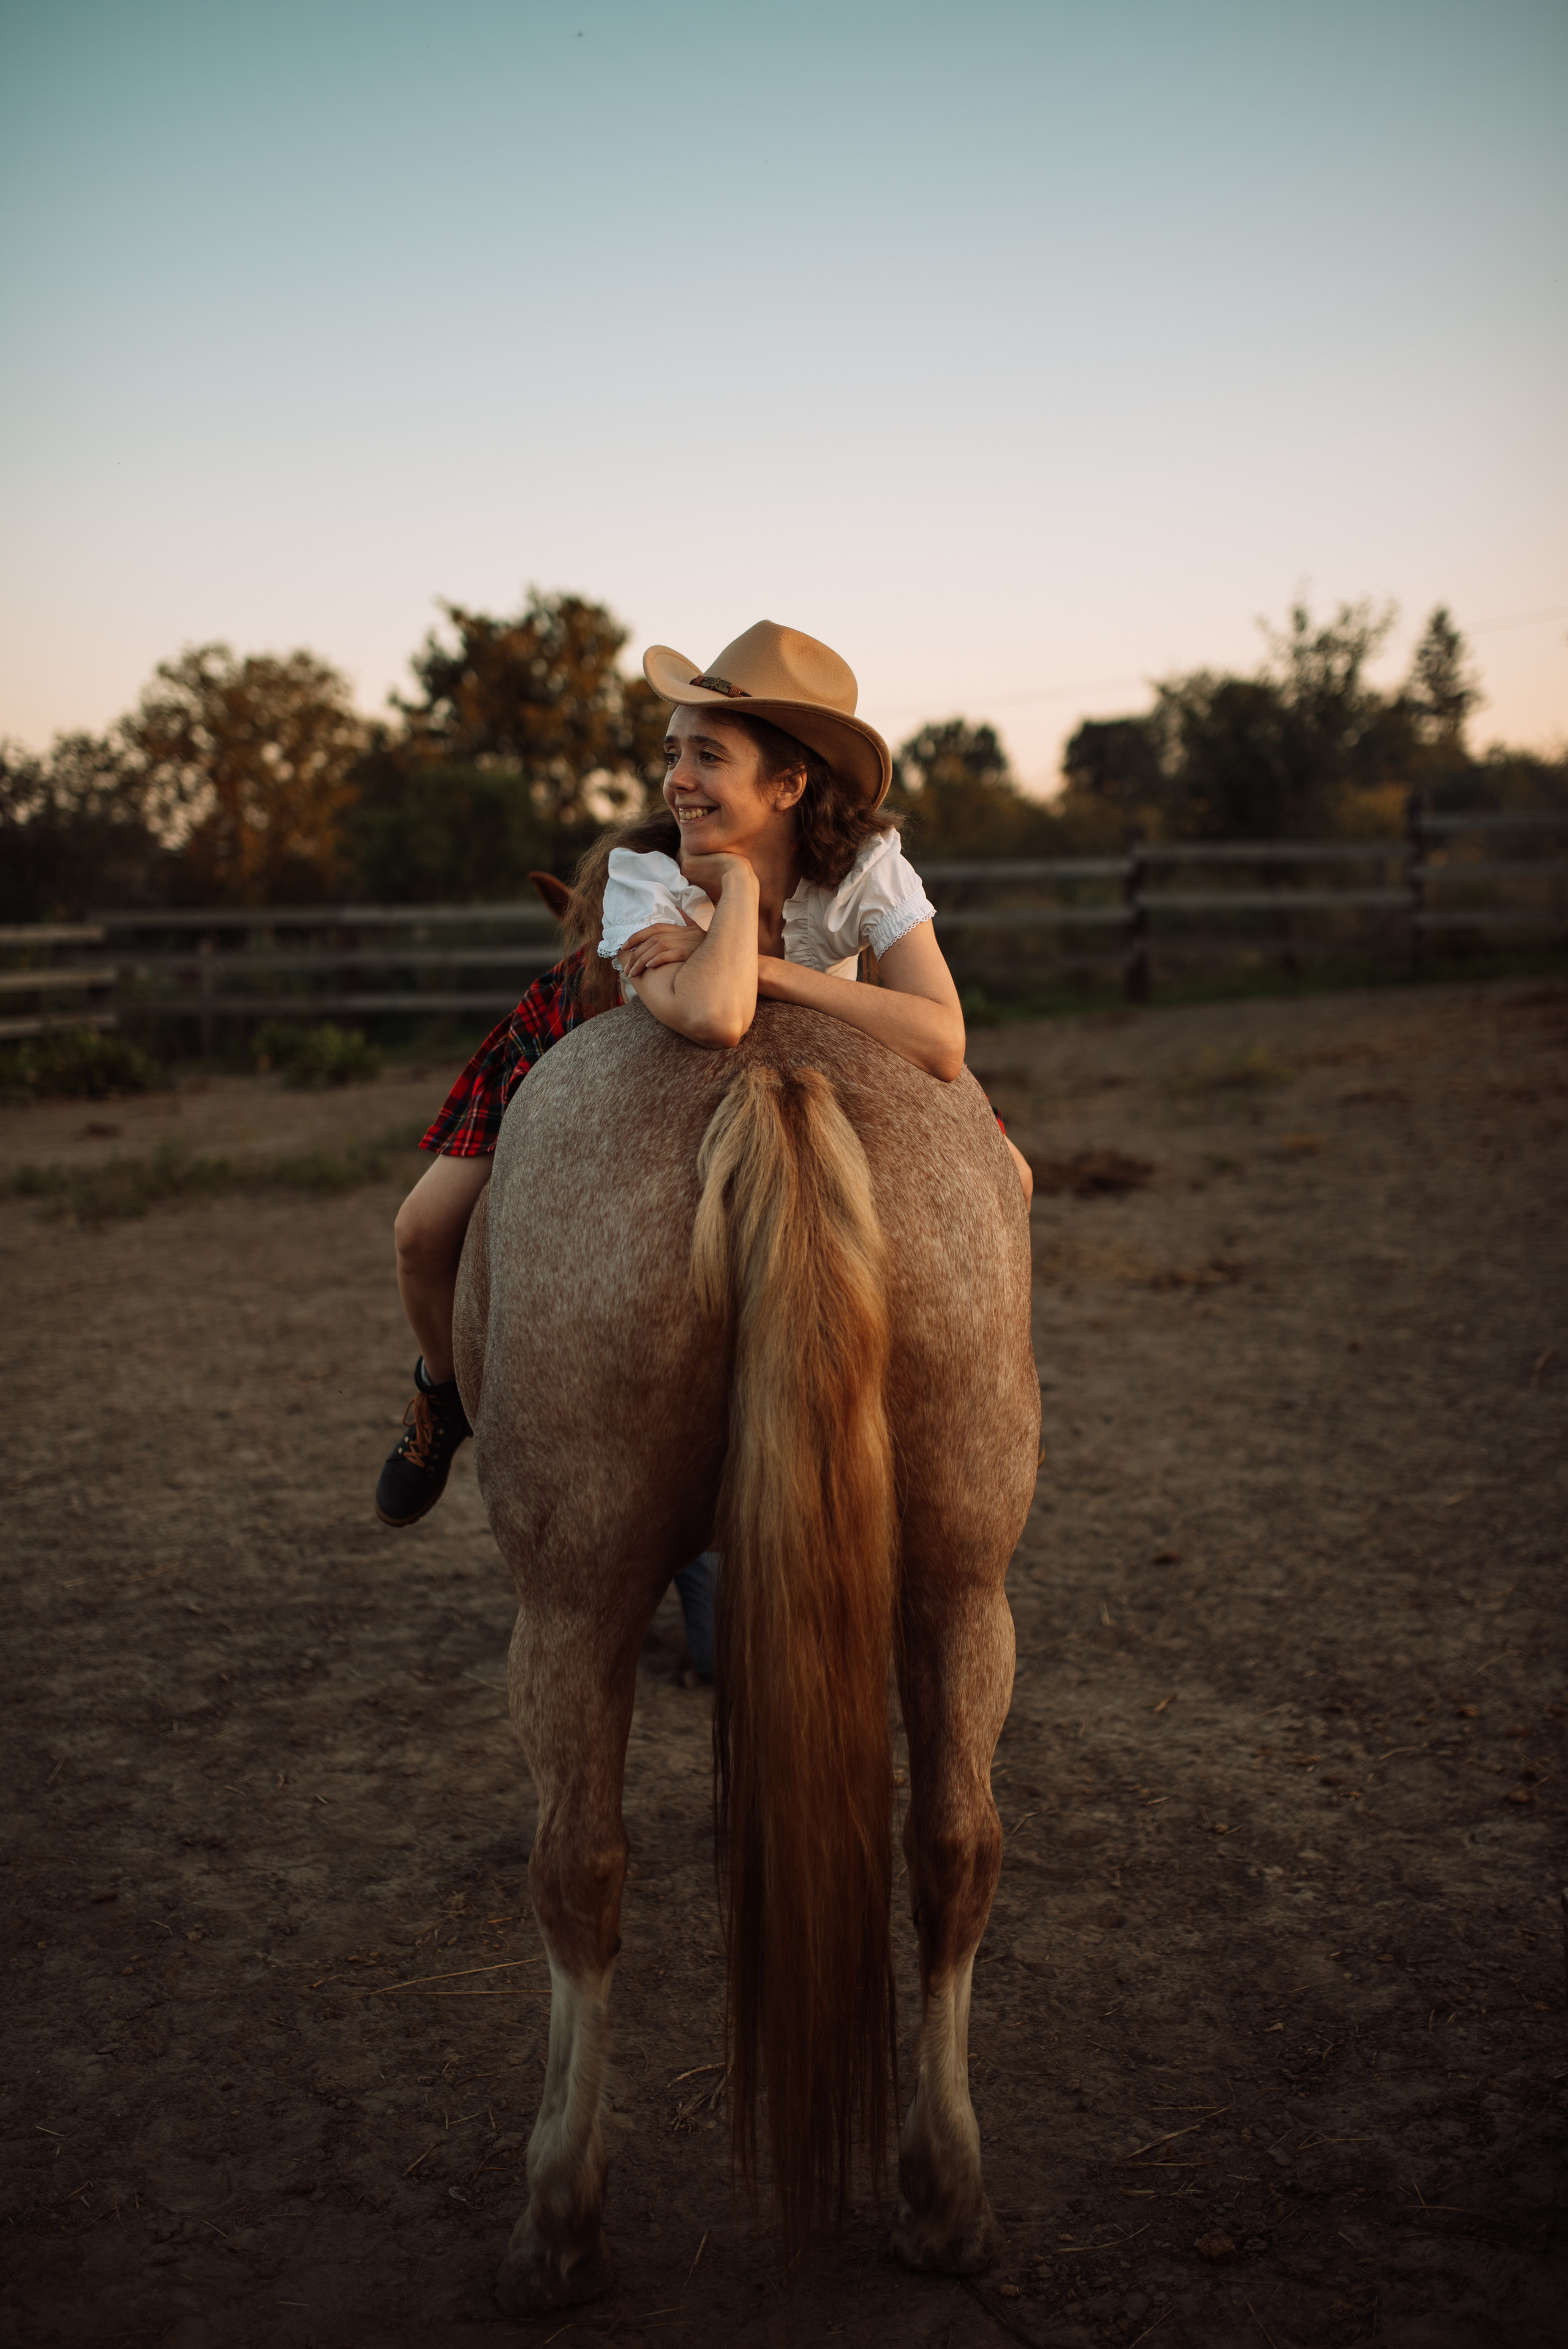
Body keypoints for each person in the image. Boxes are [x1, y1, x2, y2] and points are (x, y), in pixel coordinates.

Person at [374, 621, 1033, 1599]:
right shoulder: (650, 872)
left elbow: (941, 1039)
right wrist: (730, 885)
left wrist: (770, 964)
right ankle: (441, 1394)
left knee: (1011, 1178)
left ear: (790, 784)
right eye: (671, 751)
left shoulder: (867, 869)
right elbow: (719, 1018)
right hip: (615, 1031)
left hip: (818, 1055)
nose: (676, 777)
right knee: (423, 1232)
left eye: (707, 754)